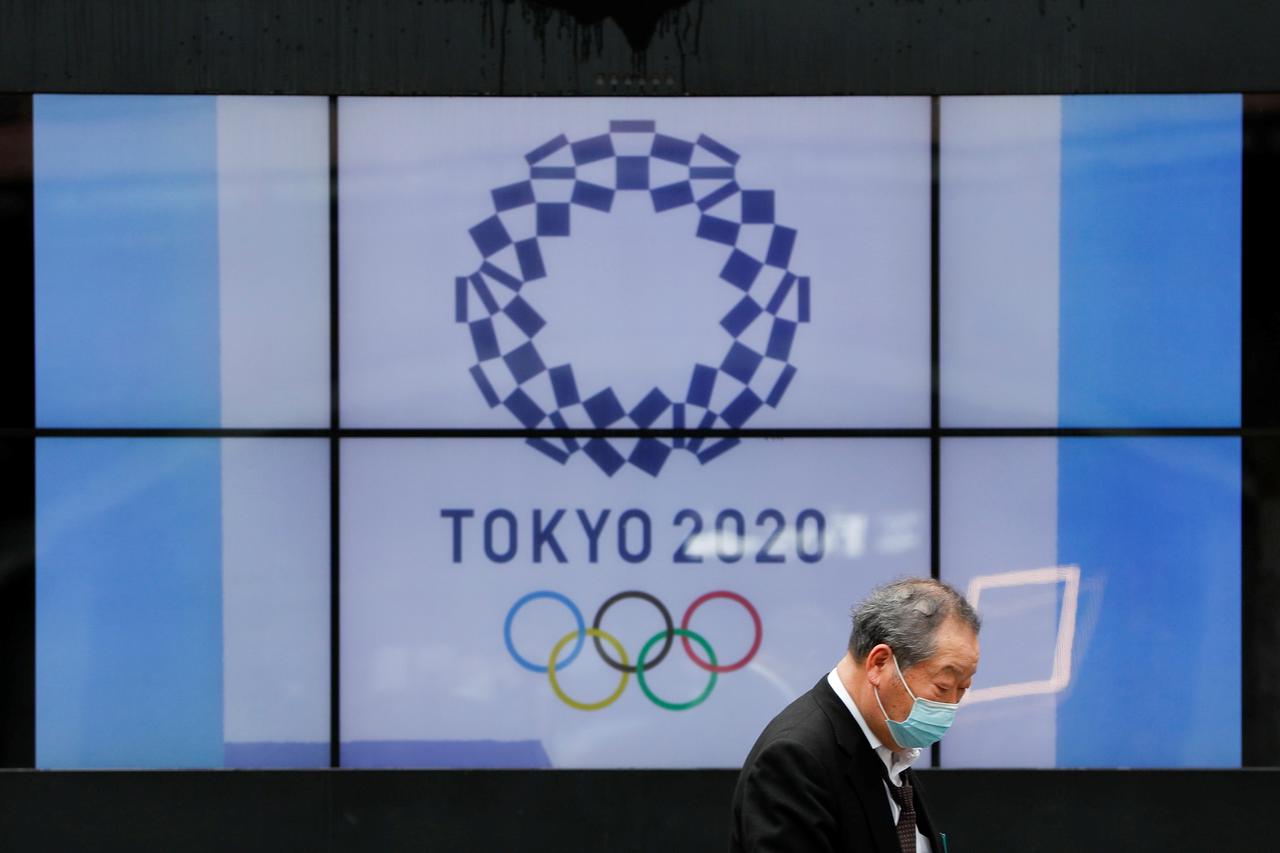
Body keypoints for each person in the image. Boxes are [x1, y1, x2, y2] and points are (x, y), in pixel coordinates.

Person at [729, 578, 981, 853]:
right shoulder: (796, 759)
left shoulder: (889, 743)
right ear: (879, 663)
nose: (951, 706)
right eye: (943, 687)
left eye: (962, 689)